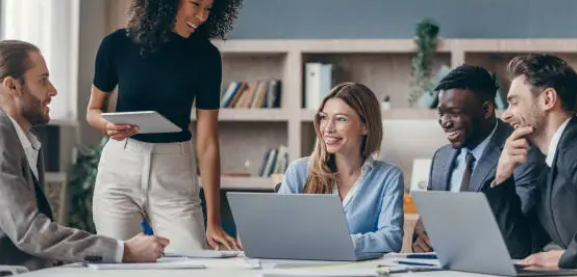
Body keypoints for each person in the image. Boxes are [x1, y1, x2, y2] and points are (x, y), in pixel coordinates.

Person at [86, 0, 243, 251]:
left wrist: (212, 220)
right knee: (120, 265)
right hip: (119, 170)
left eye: (209, 8)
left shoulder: (206, 56)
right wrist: (107, 126)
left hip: (175, 173)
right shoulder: (116, 44)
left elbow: (207, 142)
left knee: (192, 261)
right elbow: (93, 111)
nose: (202, 16)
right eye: (195, 4)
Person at [0, 40, 169, 270]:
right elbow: (29, 231)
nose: (53, 90)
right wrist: (124, 250)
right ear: (11, 86)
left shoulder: (23, 139)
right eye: (42, 80)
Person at [412, 65, 545, 258]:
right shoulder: (441, 157)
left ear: (486, 109)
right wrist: (420, 240)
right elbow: (428, 223)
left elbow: (518, 242)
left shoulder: (521, 153)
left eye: (455, 113)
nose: (445, 122)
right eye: (441, 114)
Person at [278, 82, 404, 254]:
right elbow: (279, 233)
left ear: (365, 126)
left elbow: (391, 239)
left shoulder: (388, 176)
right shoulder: (299, 172)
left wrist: (338, 242)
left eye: (340, 119)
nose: (328, 128)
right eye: (324, 117)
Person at [485, 54, 577, 269]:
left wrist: (566, 257)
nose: (506, 115)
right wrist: (502, 178)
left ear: (547, 99)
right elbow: (519, 248)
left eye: (514, 102)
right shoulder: (549, 168)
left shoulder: (574, 148)